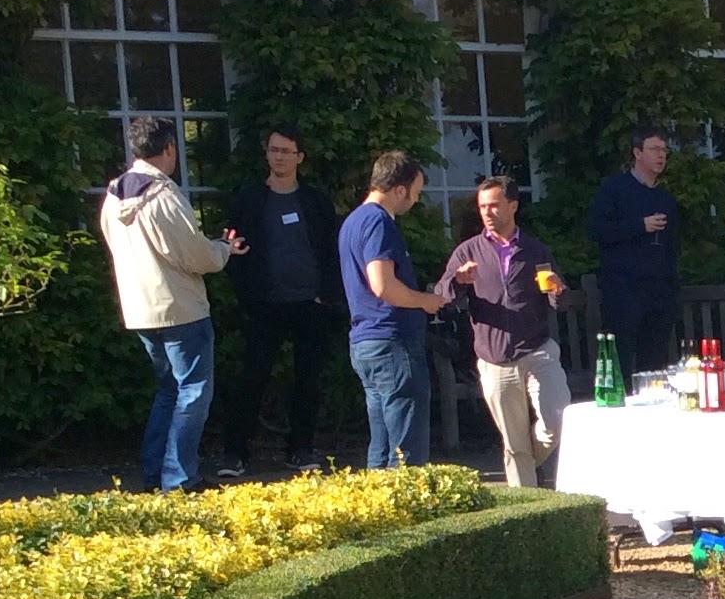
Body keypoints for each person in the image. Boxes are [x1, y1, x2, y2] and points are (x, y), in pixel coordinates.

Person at [98, 114, 242, 493]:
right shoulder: (162, 195)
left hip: (139, 309)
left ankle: (155, 473)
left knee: (168, 391)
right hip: (180, 307)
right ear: (168, 148)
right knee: (193, 391)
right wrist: (224, 249)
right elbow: (194, 255)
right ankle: (179, 478)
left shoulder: (113, 196)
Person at [217, 124, 340, 475]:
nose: (279, 157)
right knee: (252, 378)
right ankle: (236, 453)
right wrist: (247, 297)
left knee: (308, 380)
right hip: (264, 305)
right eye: (274, 150)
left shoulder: (315, 201)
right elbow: (234, 249)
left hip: (310, 304)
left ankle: (300, 450)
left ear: (300, 157)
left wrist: (326, 295)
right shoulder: (249, 198)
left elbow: (331, 251)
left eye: (286, 151)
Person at [442, 175, 571, 488]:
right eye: (482, 207)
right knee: (514, 443)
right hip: (495, 358)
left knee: (557, 420)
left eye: (494, 205)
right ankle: (526, 503)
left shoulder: (535, 250)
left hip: (537, 350)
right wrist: (458, 281)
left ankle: (525, 463)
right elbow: (442, 296)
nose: (487, 212)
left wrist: (558, 291)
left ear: (513, 206)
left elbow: (559, 300)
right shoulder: (468, 251)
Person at [339, 151, 450, 469]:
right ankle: (406, 501)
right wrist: (425, 301)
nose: (415, 201)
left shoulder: (353, 222)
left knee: (383, 445)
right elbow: (383, 285)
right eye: (415, 193)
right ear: (399, 190)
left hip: (366, 342)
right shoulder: (378, 222)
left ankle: (380, 500)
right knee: (406, 452)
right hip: (392, 342)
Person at [587, 127, 682, 375]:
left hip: (659, 294)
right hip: (624, 292)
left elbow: (673, 245)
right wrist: (639, 226)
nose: (661, 155)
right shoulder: (615, 189)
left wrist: (671, 289)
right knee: (622, 359)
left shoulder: (665, 198)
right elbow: (597, 230)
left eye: (664, 150)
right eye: (654, 149)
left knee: (654, 364)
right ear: (637, 153)